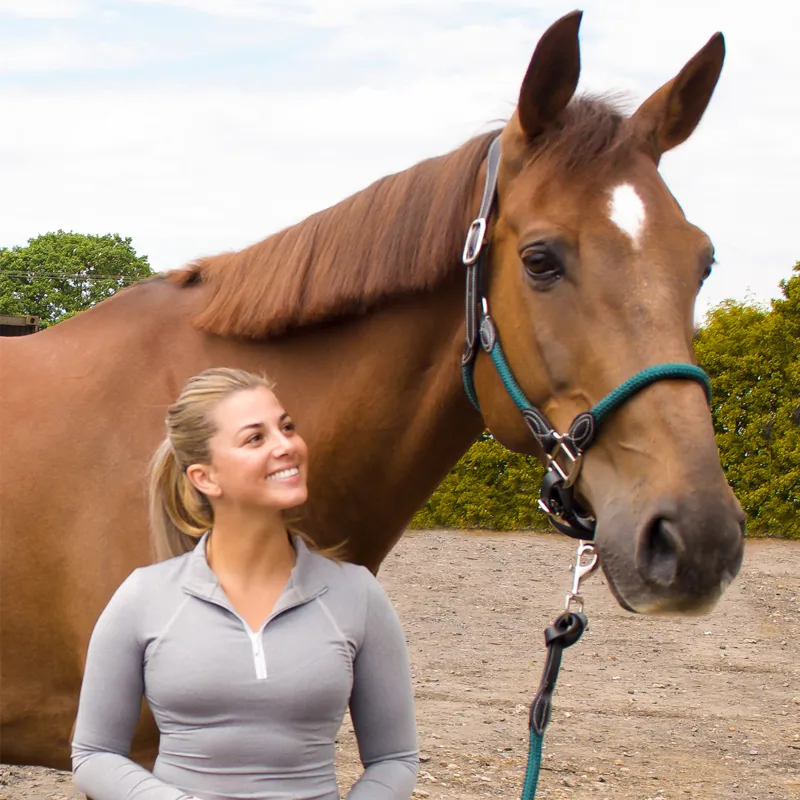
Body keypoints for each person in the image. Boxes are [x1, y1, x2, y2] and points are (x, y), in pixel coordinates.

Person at [71, 367, 419, 800]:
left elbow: (395, 758)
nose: (286, 446)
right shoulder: (143, 597)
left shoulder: (357, 594)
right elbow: (93, 754)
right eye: (256, 438)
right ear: (205, 477)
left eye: (286, 427)